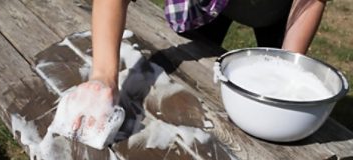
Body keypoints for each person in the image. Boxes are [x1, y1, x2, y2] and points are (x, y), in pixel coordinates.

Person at [72, 0, 327, 132]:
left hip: (278, 12)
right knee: (192, 90)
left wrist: (284, 79)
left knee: (279, 107)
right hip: (211, 7)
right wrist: (104, 76)